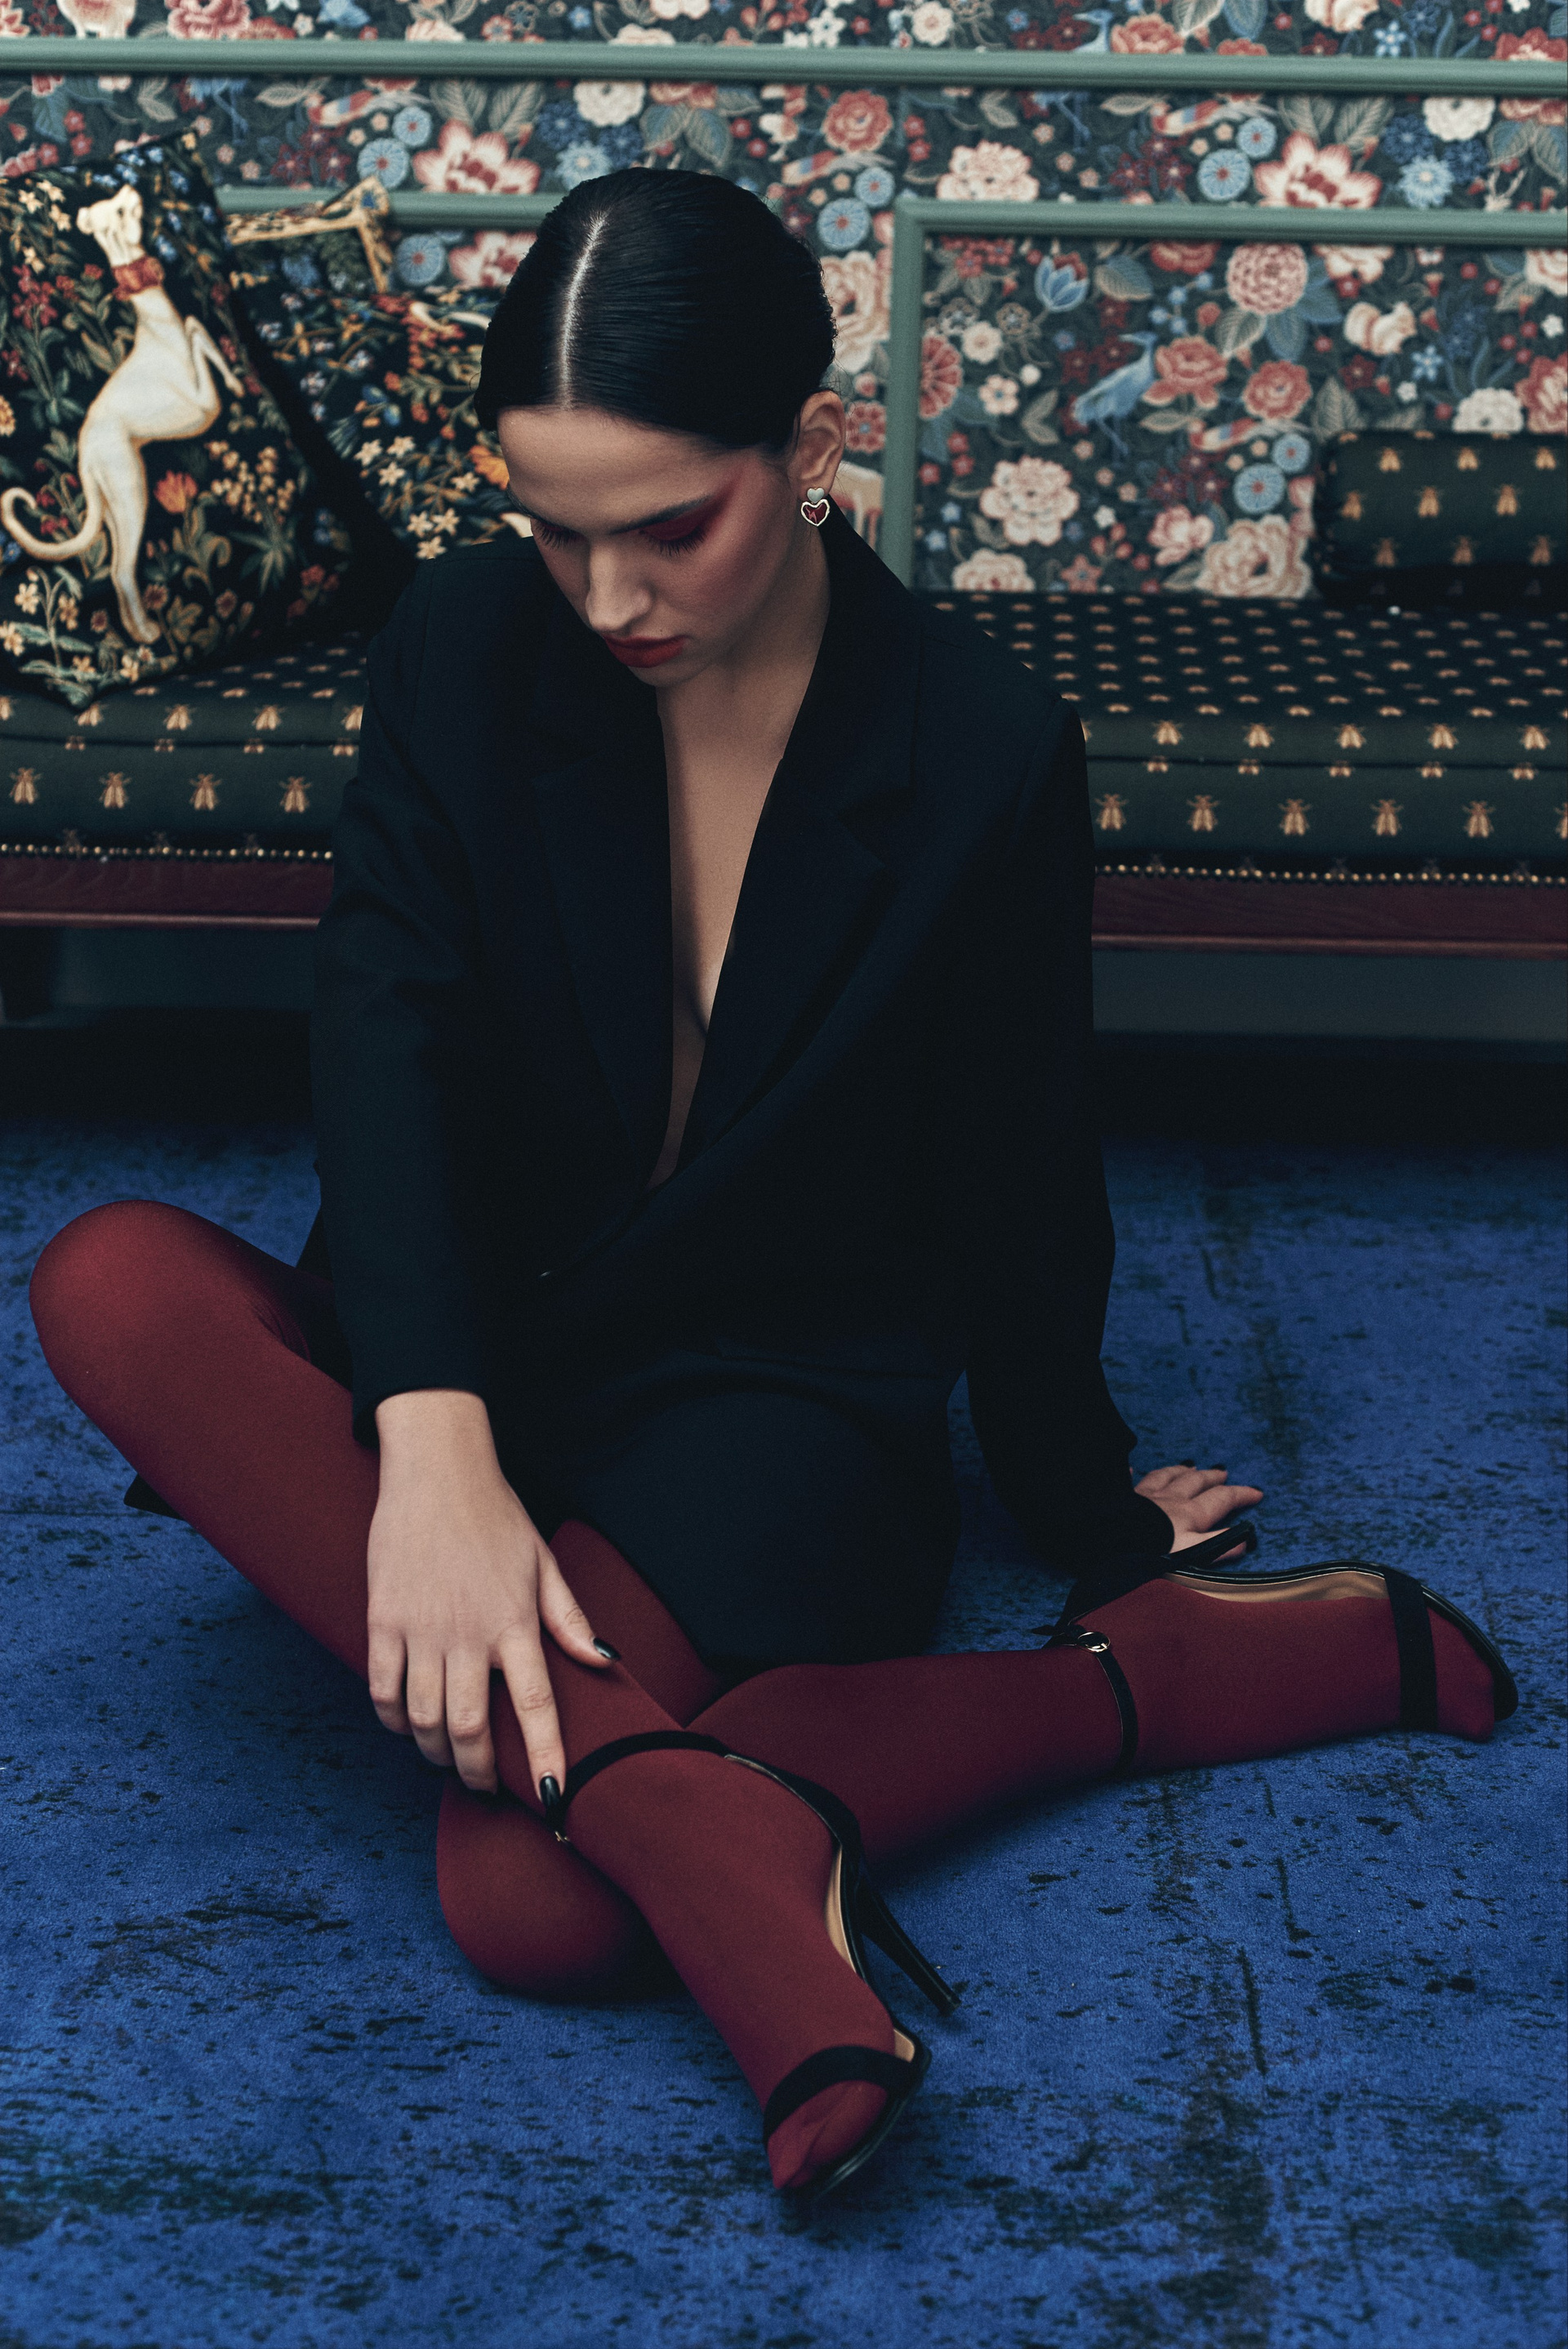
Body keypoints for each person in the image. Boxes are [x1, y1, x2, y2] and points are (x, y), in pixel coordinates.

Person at [29, 171, 1517, 2209]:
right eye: (555, 528)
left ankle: (1128, 1689)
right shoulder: (465, 642)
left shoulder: (983, 746)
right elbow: (383, 1039)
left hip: (763, 1404)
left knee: (531, 1903)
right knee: (109, 1276)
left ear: (814, 445)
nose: (608, 596)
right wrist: (434, 1440)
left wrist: (1086, 1508)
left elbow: (1018, 1160)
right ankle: (691, 1800)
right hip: (473, 1332)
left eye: (671, 526)